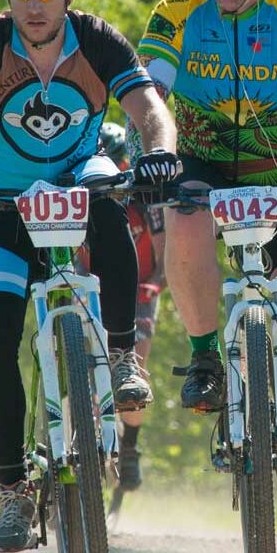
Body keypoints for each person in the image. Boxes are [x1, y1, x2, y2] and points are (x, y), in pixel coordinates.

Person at [0, 0, 180, 550]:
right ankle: (13, 490)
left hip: (74, 200)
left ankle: (122, 354)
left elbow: (149, 108)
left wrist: (160, 148)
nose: (34, 6)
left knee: (107, 190)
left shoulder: (99, 40)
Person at [127, 0, 277, 531]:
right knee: (184, 216)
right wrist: (148, 158)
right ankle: (205, 356)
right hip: (200, 161)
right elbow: (146, 95)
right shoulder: (177, 10)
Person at [77, 122, 167, 492]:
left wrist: (155, 284)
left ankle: (129, 448)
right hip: (93, 289)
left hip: (140, 292)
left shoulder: (145, 198)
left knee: (135, 365)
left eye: (119, 164)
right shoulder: (84, 194)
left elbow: (165, 256)